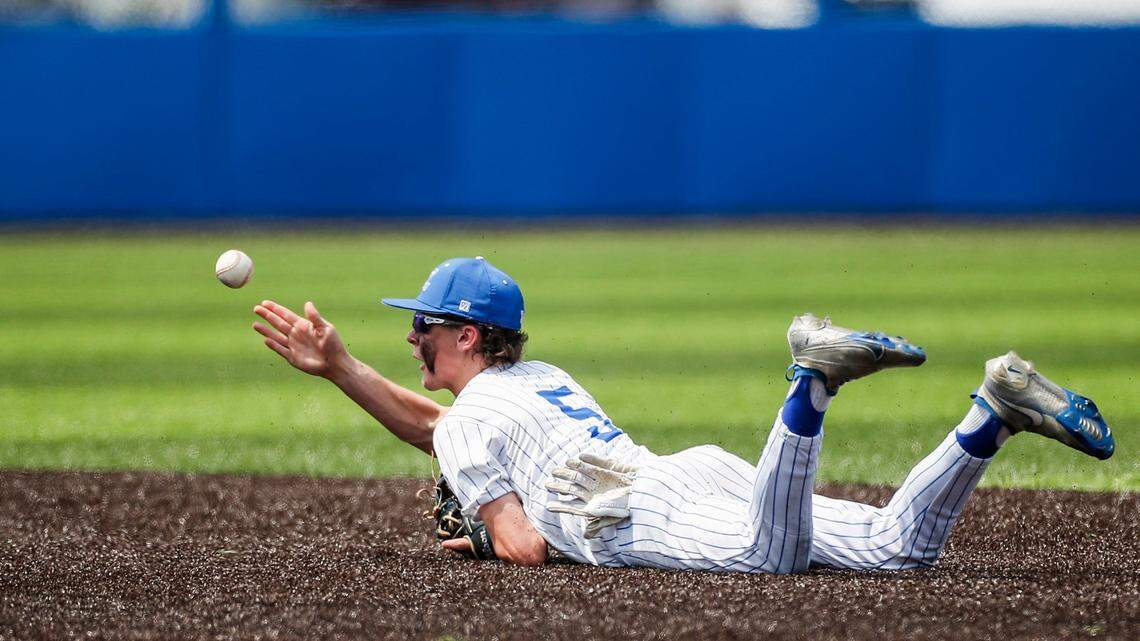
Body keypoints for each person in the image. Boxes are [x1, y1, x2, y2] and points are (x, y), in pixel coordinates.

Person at [251, 256, 1115, 572]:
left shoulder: (472, 420)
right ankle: (992, 415)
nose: (411, 338)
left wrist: (485, 533)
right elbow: (435, 425)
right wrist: (341, 368)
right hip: (684, 472)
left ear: (468, 335)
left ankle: (810, 385)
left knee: (770, 559)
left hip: (634, 511)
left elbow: (523, 542)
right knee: (901, 547)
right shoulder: (532, 375)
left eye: (424, 326)